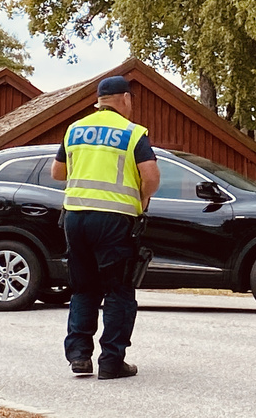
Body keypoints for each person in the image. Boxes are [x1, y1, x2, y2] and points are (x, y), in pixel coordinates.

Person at [51, 75, 160, 380]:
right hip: (114, 220)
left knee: (83, 287)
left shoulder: (75, 129)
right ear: (125, 99)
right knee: (118, 289)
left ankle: (79, 356)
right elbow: (150, 177)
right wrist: (139, 201)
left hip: (74, 218)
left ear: (98, 101)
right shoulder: (133, 133)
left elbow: (57, 173)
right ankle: (111, 361)